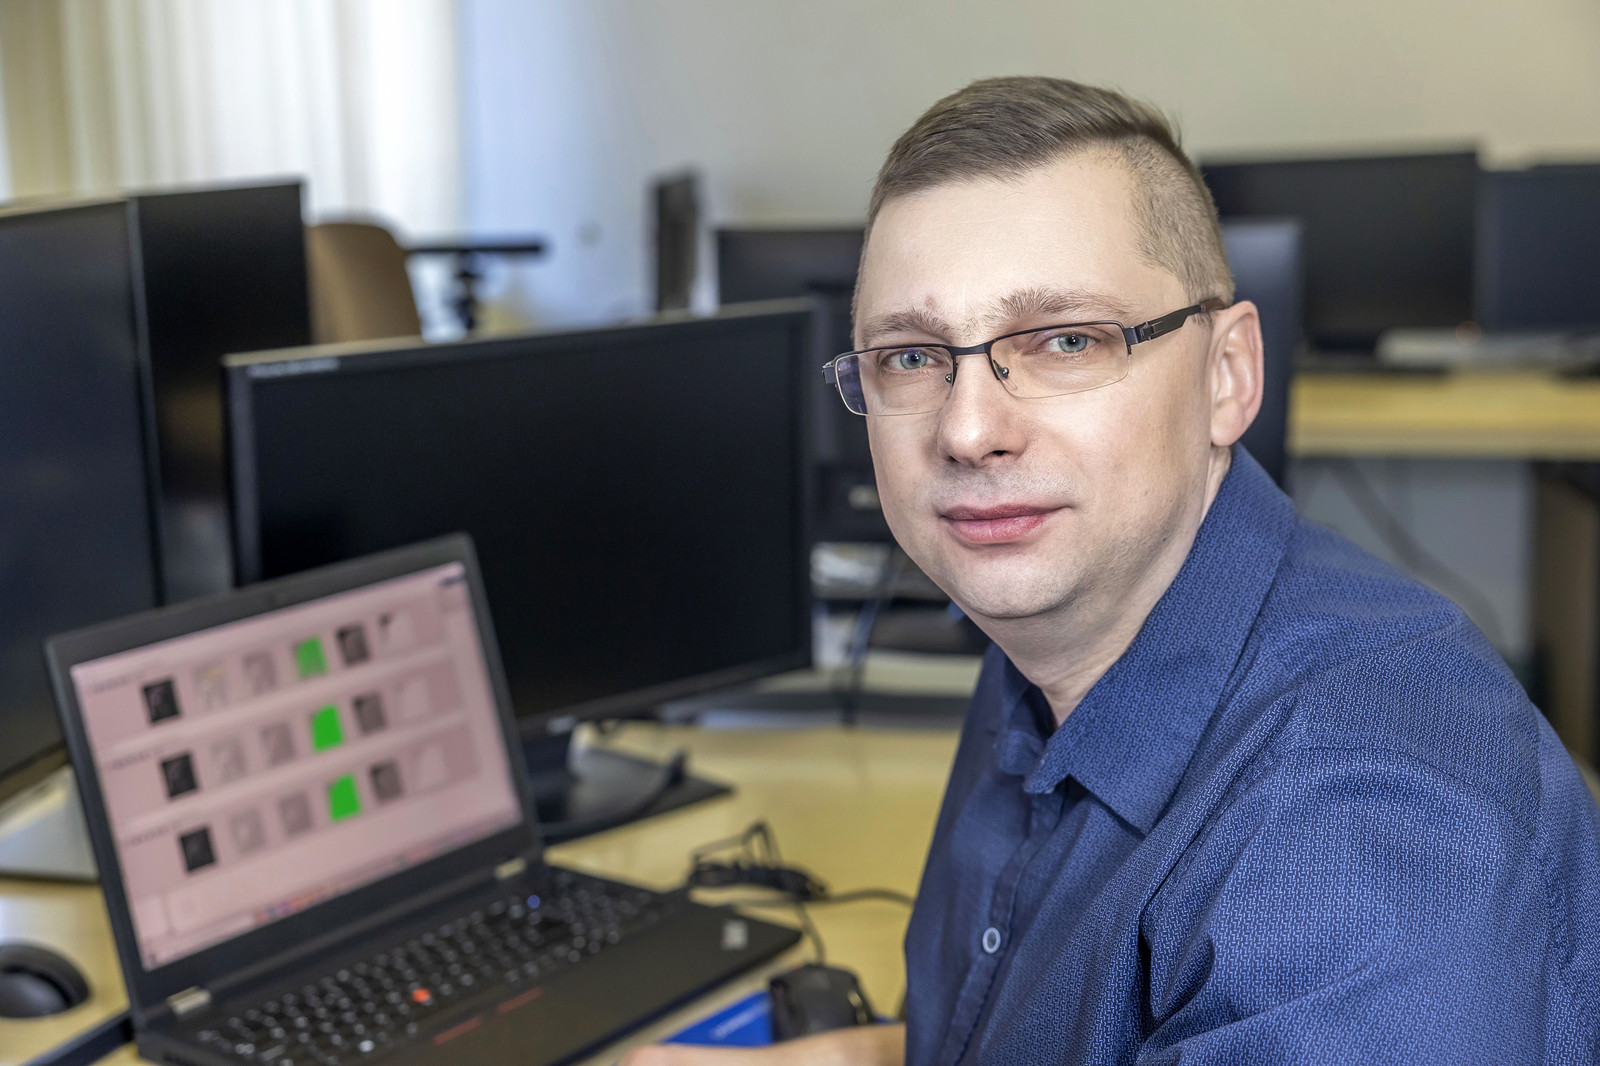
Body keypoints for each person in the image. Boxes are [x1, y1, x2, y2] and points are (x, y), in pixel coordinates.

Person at [625, 77, 1600, 1065]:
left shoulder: (1356, 827)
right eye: (910, 357)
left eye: (1065, 340)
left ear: (1228, 375)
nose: (968, 430)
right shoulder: (1053, 632)